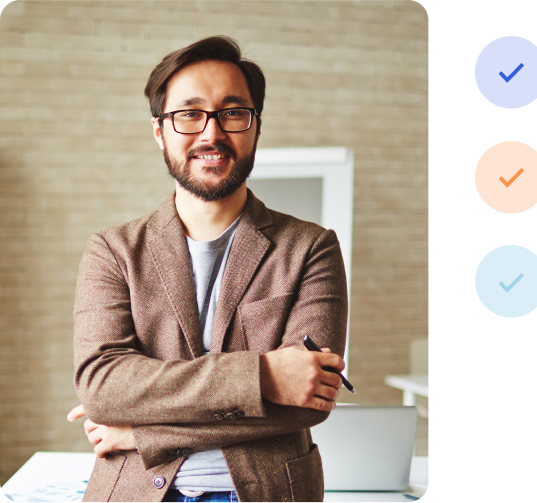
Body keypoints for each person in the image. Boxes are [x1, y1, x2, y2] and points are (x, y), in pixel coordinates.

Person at [67, 36, 348, 503]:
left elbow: (309, 402)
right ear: (160, 130)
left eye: (232, 112)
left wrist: (144, 434)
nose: (211, 134)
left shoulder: (311, 247)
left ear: (256, 126)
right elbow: (102, 387)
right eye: (189, 114)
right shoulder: (112, 251)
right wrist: (264, 376)